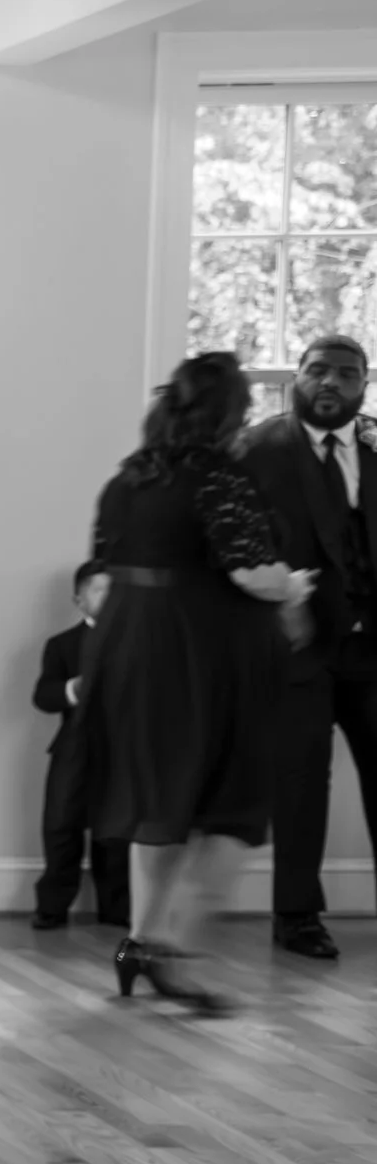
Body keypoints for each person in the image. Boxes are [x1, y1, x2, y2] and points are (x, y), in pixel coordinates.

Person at [86, 351, 312, 1016]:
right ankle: (172, 950)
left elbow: (101, 571)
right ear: (228, 415)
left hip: (129, 644)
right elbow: (249, 570)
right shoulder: (218, 477)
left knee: (162, 801)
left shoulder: (127, 480)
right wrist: (292, 586)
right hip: (200, 653)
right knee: (232, 804)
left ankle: (139, 941)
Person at [233, 333, 375, 961]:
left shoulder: (375, 447)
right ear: (297, 377)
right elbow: (234, 545)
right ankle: (296, 916)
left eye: (346, 374)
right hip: (296, 644)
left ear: (363, 387)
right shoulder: (257, 450)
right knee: (298, 784)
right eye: (317, 370)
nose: (330, 382)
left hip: (373, 650)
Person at [30, 559, 128, 930]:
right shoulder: (62, 645)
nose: (109, 597)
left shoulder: (140, 643)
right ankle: (52, 906)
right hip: (73, 746)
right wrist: (73, 688)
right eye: (100, 589)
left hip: (121, 748)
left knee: (117, 830)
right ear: (79, 598)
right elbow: (43, 695)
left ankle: (118, 907)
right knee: (61, 825)